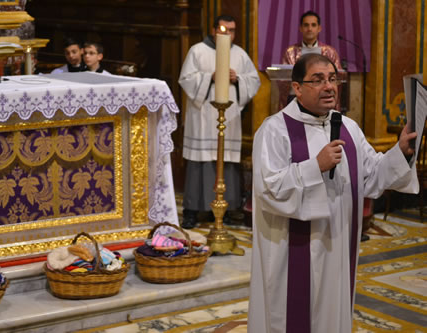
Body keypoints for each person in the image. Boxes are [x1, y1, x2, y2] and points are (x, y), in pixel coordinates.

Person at [248, 53, 418, 333]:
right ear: (297, 88)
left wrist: (399, 151)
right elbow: (269, 189)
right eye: (317, 80)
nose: (328, 86)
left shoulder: (348, 128)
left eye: (332, 78)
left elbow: (373, 175)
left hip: (338, 246)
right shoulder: (274, 130)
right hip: (291, 253)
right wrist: (315, 167)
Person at [178, 14, 260, 229]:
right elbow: (185, 79)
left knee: (227, 160)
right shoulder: (197, 51)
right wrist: (208, 78)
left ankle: (230, 208)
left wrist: (238, 79)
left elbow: (254, 81)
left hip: (229, 116)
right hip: (203, 117)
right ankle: (192, 210)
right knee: (200, 162)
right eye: (224, 30)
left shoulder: (240, 55)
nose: (229, 34)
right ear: (214, 30)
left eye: (232, 30)